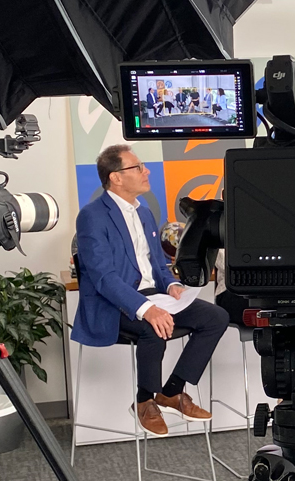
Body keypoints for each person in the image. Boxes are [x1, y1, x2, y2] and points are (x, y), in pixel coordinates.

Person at [74, 144, 230, 436]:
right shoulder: (92, 216)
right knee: (151, 327)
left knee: (215, 317)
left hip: (153, 295)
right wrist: (147, 309)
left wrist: (171, 285)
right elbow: (104, 277)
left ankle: (171, 392)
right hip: (113, 303)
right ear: (116, 177)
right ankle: (144, 400)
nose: (146, 172)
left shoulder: (144, 213)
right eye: (137, 167)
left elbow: (157, 262)